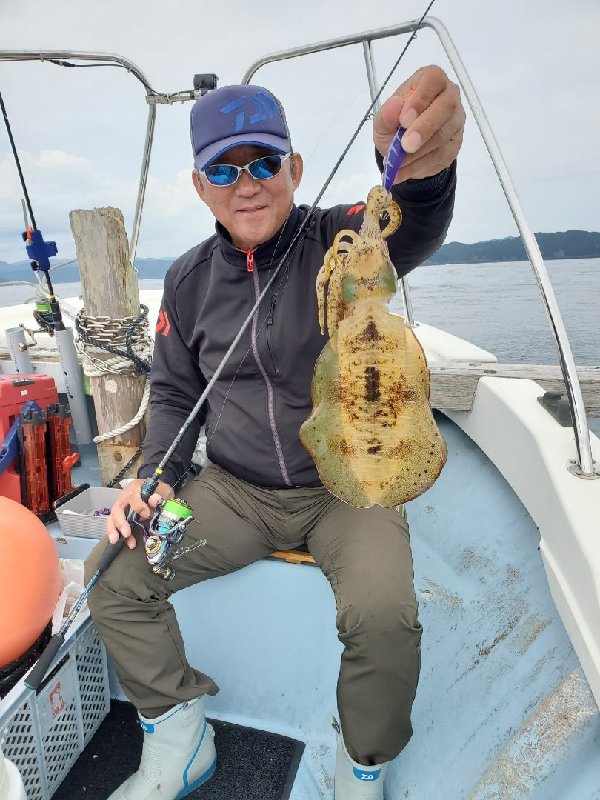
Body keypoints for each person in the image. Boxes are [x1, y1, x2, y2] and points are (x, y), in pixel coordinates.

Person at [86, 65, 465, 800]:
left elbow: (409, 221)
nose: (246, 184)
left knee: (384, 614)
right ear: (199, 187)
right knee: (116, 581)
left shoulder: (340, 239)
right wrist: (155, 477)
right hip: (233, 491)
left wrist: (424, 173)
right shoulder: (188, 281)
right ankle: (179, 734)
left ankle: (362, 764)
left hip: (347, 486)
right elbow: (175, 392)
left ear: (294, 169)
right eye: (222, 170)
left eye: (263, 162)